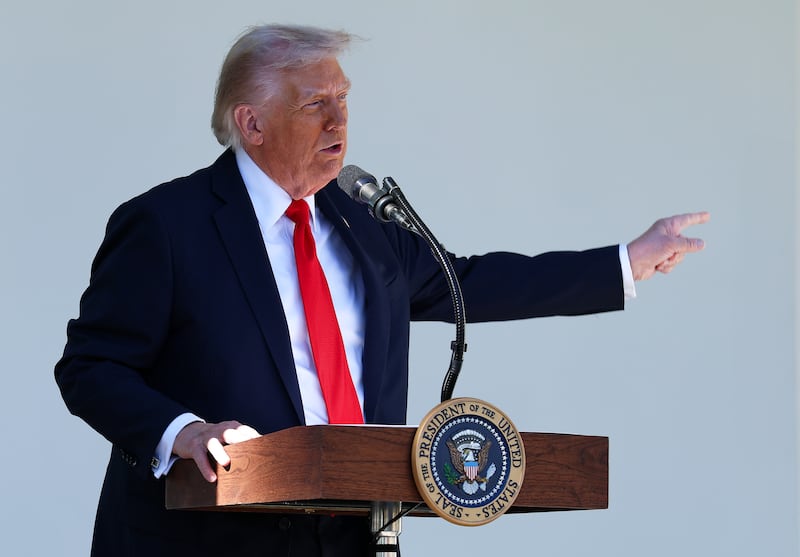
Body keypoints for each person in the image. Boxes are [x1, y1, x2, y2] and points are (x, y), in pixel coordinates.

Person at [55, 24, 708, 557]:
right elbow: (91, 367)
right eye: (316, 103)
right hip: (203, 540)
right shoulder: (169, 226)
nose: (340, 118)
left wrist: (627, 261)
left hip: (347, 536)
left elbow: (465, 283)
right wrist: (184, 431)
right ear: (251, 123)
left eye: (344, 99)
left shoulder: (365, 224)